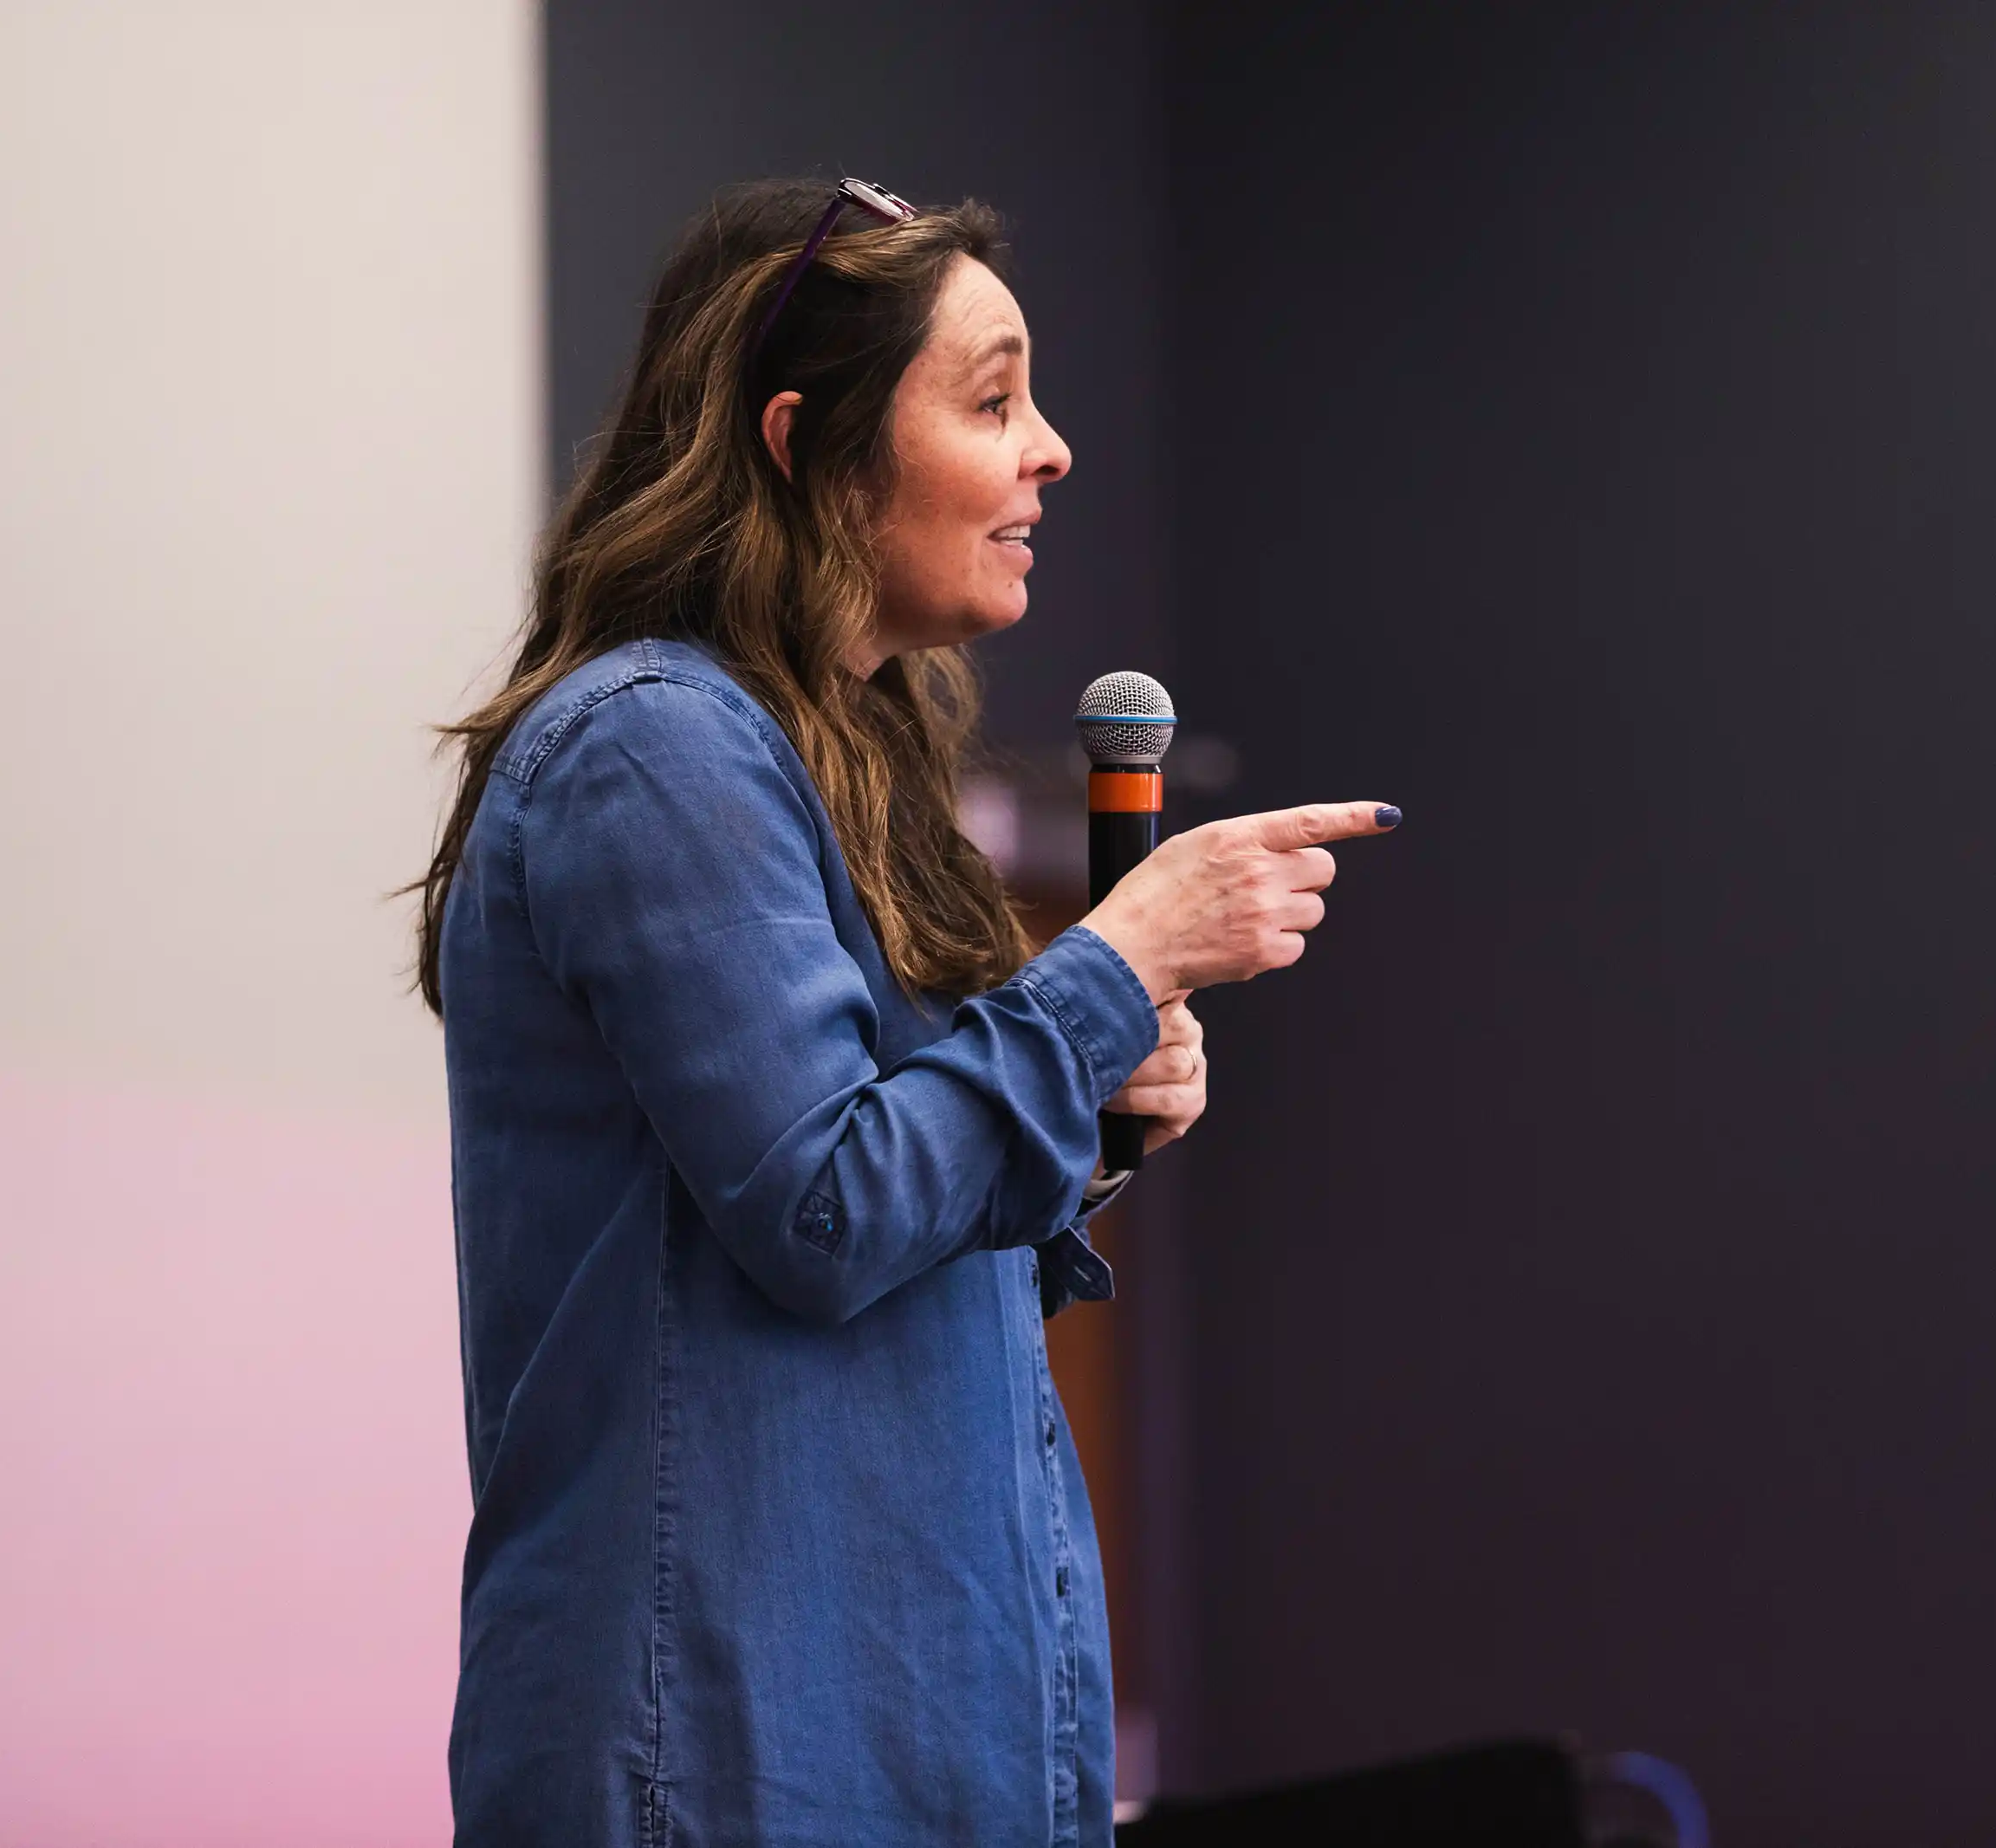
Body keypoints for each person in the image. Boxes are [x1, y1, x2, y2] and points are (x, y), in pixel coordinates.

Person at [414, 177, 1397, 1847]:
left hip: (896, 1742)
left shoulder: (831, 759)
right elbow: (825, 1201)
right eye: (994, 399)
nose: (1055, 450)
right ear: (807, 443)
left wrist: (1085, 1104)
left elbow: (872, 1197)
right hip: (724, 1757)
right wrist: (1113, 968)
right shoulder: (658, 745)